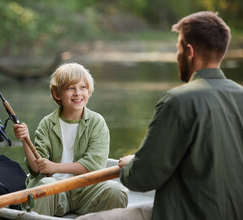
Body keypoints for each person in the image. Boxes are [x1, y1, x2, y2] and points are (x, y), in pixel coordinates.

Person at [78, 11, 243, 220]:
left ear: (189, 51)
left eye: (178, 48)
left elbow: (143, 179)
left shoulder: (178, 101)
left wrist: (130, 166)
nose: (177, 56)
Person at [13, 62, 128, 217]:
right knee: (46, 185)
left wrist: (55, 167)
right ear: (57, 94)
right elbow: (36, 168)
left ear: (89, 91)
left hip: (86, 190)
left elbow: (93, 165)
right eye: (70, 88)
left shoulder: (97, 122)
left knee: (117, 191)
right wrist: (25, 139)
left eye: (82, 87)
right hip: (56, 191)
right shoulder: (47, 123)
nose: (77, 93)